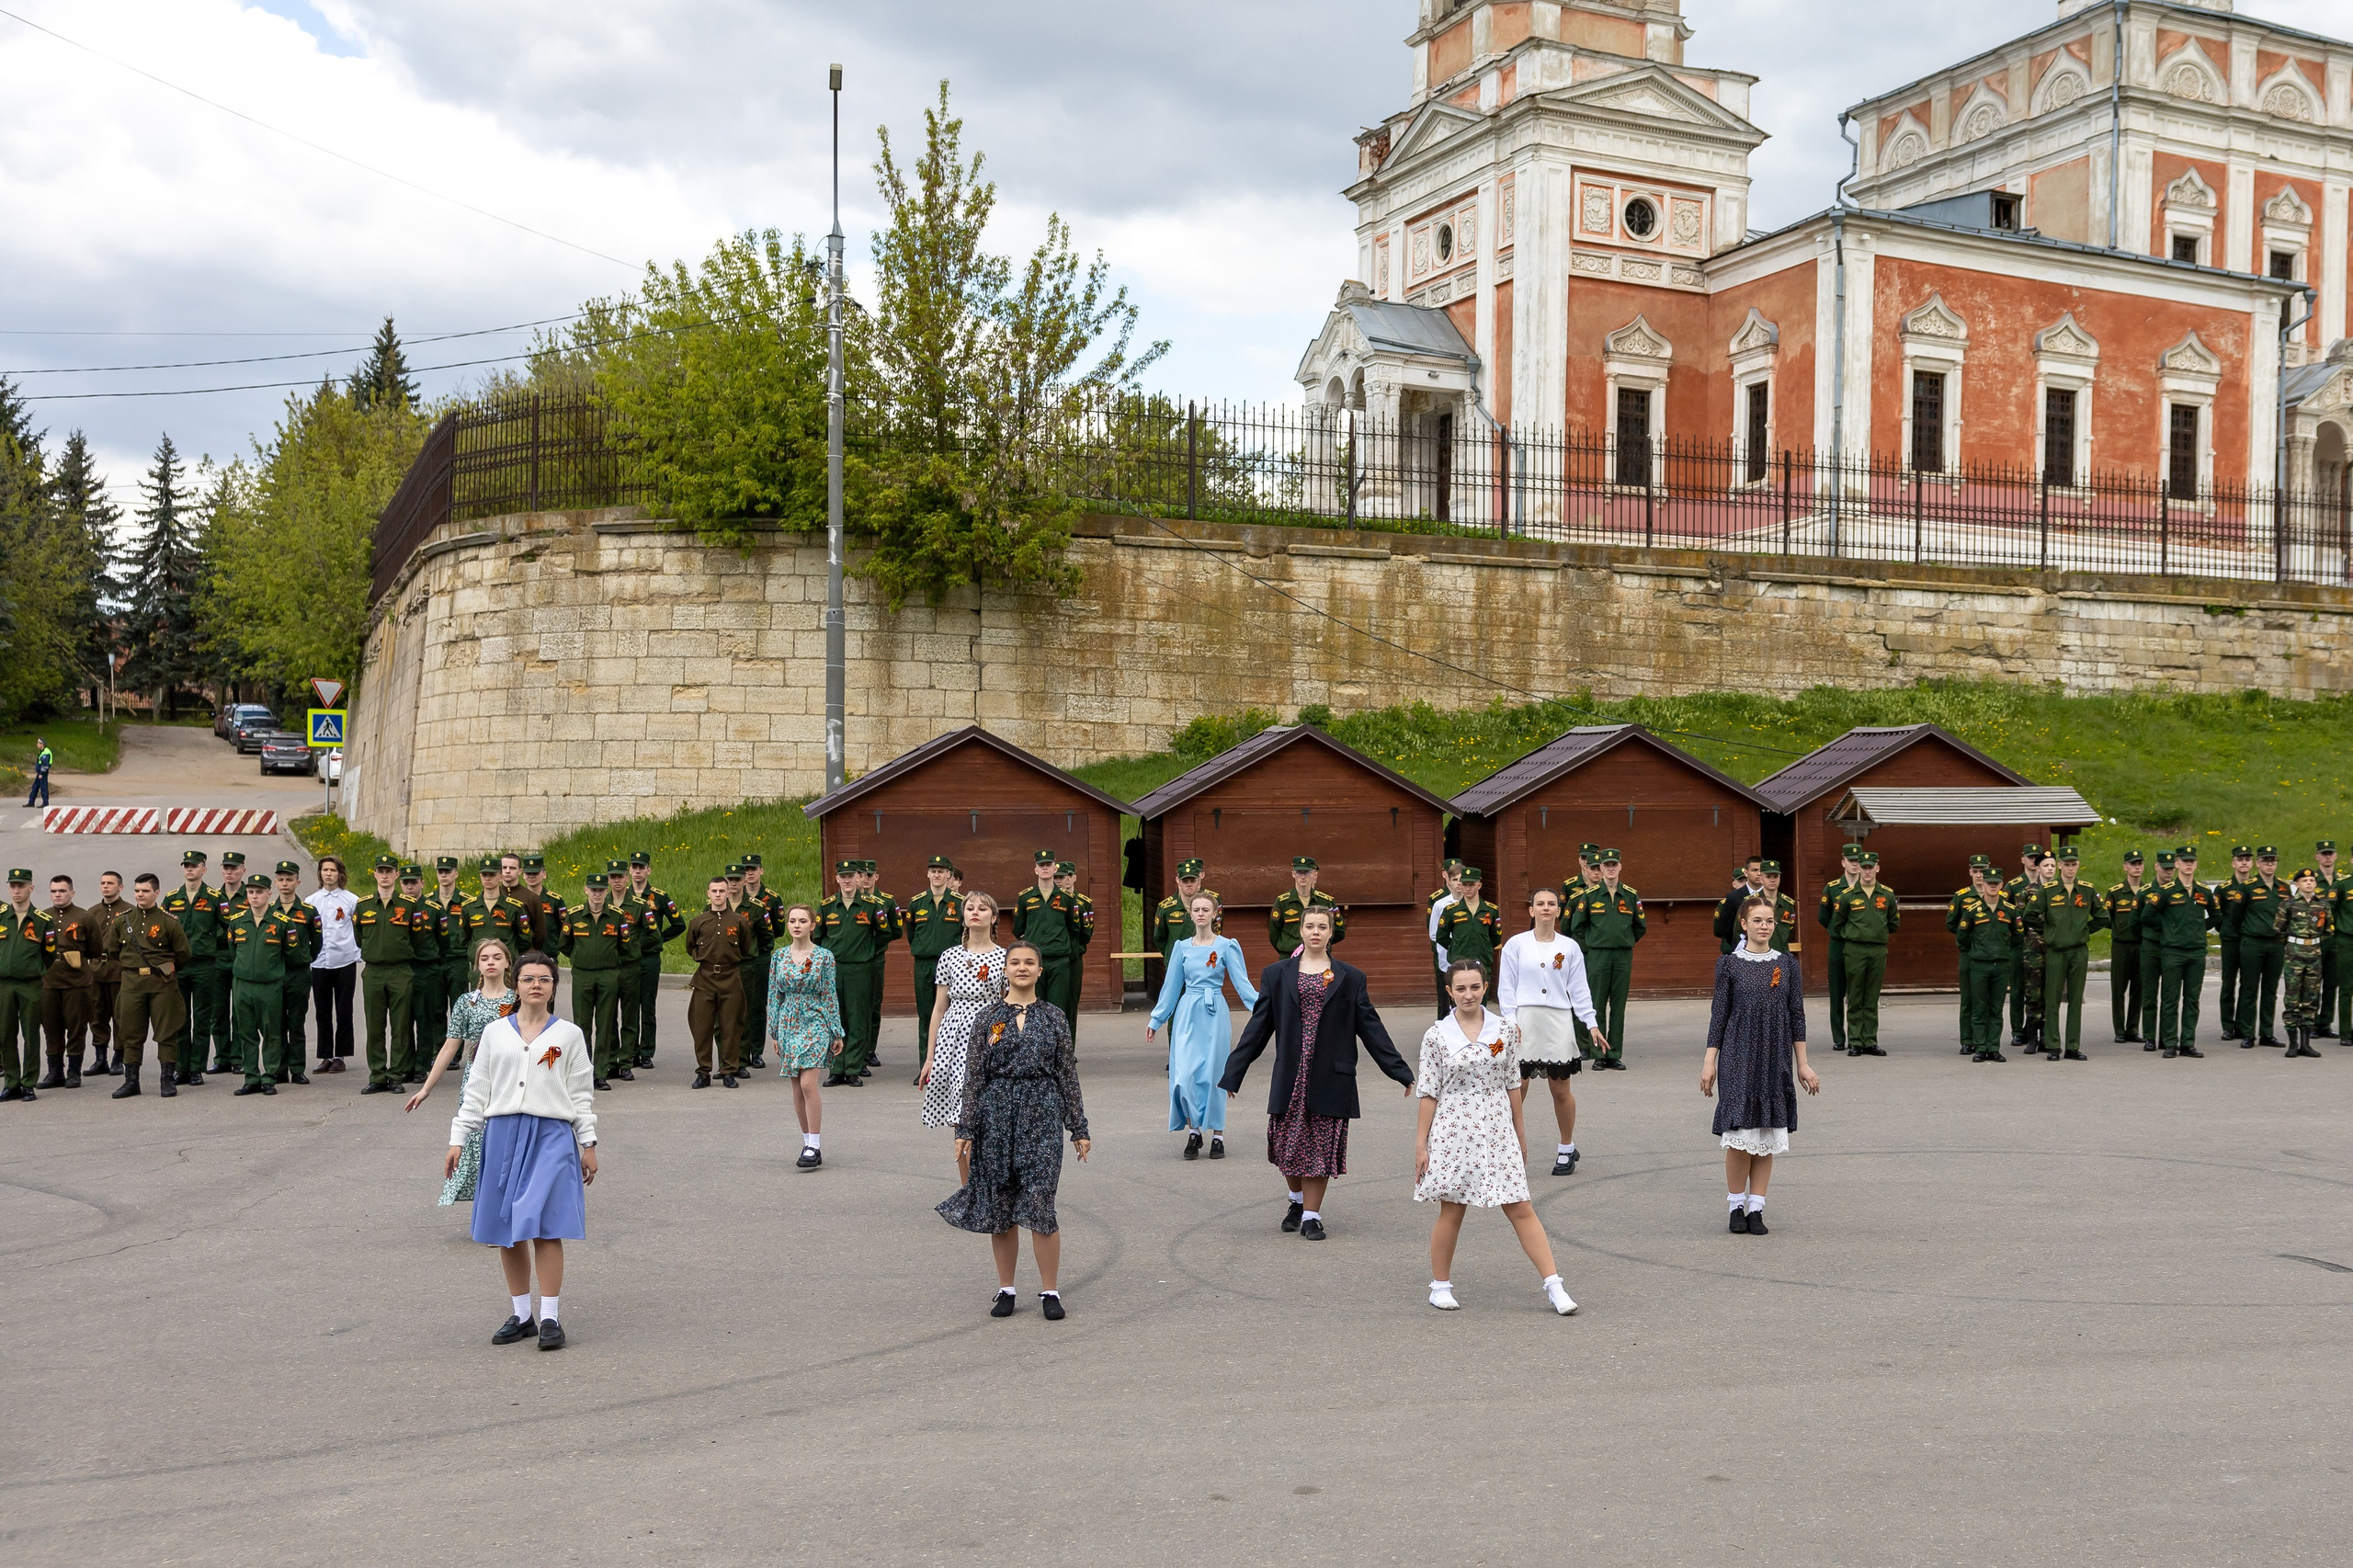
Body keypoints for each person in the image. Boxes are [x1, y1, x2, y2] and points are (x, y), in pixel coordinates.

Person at [1221, 906, 1412, 1241]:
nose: (1316, 932)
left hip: (1330, 1076)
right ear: (1301, 930)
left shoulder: (1349, 977)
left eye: (1322, 927)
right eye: (1310, 926)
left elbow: (1371, 1028)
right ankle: (1296, 1200)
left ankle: (1311, 1215)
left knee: (1319, 1150)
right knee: (1287, 1147)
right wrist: (1233, 1074)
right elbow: (1258, 1028)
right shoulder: (1277, 974)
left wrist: (1401, 1072)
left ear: (1331, 932)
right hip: (1291, 1075)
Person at [447, 950, 597, 1352]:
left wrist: (588, 1143)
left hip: (551, 1135)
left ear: (553, 987)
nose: (535, 985)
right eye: (528, 978)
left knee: (546, 1227)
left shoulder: (569, 1035)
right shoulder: (495, 1033)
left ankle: (550, 1317)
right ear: (517, 984)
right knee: (508, 1230)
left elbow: (581, 1095)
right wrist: (458, 1138)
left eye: (544, 980)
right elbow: (477, 1090)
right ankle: (522, 1315)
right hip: (501, 1134)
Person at [937, 939, 1091, 1322]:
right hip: (996, 1117)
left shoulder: (1055, 1017)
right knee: (1001, 1204)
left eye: (1029, 963)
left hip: (1042, 1114)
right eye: (1015, 962)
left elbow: (1067, 1074)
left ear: (1040, 971)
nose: (1022, 968)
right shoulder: (988, 1017)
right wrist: (965, 1127)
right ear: (1004, 970)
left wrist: (1078, 1127)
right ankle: (1006, 1288)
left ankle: (1049, 1291)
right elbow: (974, 1076)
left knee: (1040, 1202)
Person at [1415, 960, 1579, 1315]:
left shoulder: (1504, 1030)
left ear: (1486, 987)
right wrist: (1421, 1144)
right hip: (1453, 1128)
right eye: (1460, 988)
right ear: (1449, 992)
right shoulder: (1437, 1036)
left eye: (1474, 987)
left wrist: (1520, 1135)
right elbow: (1428, 1092)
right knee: (1453, 1207)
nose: (1468, 994)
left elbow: (1512, 1085)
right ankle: (1439, 1286)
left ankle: (1554, 1286)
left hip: (1497, 1127)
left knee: (1521, 1206)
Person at [1703, 896, 1819, 1235]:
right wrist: (1709, 1062)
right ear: (1744, 923)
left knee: (1766, 1134)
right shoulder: (1729, 964)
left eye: (1769, 921)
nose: (1764, 926)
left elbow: (1797, 1015)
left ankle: (1757, 1208)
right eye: (1757, 920)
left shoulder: (1787, 964)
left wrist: (1803, 1064)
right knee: (1740, 1135)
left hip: (1774, 1056)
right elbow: (1718, 1016)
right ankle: (1735, 1206)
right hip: (1738, 1055)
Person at [1496, 886, 1603, 1177]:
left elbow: (1579, 990)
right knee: (1518, 1087)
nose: (1546, 908)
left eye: (1551, 904)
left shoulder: (1569, 947)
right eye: (1540, 903)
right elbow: (1506, 987)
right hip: (1524, 1020)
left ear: (1558, 911)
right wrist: (1509, 1019)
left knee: (1560, 1090)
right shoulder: (1515, 945)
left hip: (1558, 1020)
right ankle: (1509, 1148)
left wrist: (1591, 1022)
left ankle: (1566, 1147)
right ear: (1531, 910)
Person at [1144, 891, 1257, 1161]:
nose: (1201, 914)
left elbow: (1243, 985)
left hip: (1215, 1012)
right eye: (1197, 910)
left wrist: (1265, 1011)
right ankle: (1194, 1130)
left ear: (1215, 913)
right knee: (1183, 1076)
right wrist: (1157, 1019)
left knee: (1215, 1075)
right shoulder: (1182, 948)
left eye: (1206, 909)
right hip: (1187, 1012)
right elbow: (1171, 987)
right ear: (1191, 914)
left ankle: (1217, 1134)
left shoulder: (1228, 946)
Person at [406, 936, 518, 1205]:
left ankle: (511, 1209)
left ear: (507, 964)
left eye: (496, 957)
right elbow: (449, 1048)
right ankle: (488, 1213)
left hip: (513, 1078)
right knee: (477, 1145)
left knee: (508, 1146)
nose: (490, 962)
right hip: (478, 1079)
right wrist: (426, 1089)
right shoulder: (467, 1002)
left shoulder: (519, 999)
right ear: (476, 965)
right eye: (484, 958)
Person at [923, 893, 1007, 1177]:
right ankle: (968, 1190)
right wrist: (930, 1057)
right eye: (970, 908)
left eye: (983, 908)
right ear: (963, 916)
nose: (975, 912)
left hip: (992, 1035)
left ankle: (990, 1187)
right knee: (961, 1115)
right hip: (954, 1039)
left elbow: (1010, 1005)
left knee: (990, 1112)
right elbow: (938, 1008)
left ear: (993, 917)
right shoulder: (950, 956)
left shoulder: (1005, 956)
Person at [767, 903, 845, 1170]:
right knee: (795, 1085)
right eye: (792, 920)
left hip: (815, 1020)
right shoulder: (778, 956)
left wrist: (836, 1030)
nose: (796, 925)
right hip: (788, 1021)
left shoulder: (824, 956)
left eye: (802, 921)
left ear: (813, 925)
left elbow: (829, 994)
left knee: (809, 1084)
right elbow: (774, 995)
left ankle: (815, 1145)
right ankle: (806, 1140)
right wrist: (774, 1030)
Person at [105, 873, 191, 1097]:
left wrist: (163, 970)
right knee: (130, 1033)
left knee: (166, 1033)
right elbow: (112, 950)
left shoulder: (168, 921)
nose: (140, 895)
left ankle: (166, 1080)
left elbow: (183, 954)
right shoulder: (122, 921)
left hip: (162, 985)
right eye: (137, 891)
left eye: (145, 891)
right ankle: (131, 1081)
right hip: (132, 984)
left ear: (156, 893)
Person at [220, 873, 302, 1094]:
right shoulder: (237, 921)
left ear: (269, 893)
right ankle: (251, 1077)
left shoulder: (282, 922)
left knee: (271, 1032)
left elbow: (291, 953)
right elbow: (233, 950)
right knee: (245, 1032)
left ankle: (269, 1077)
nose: (254, 897)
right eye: (250, 892)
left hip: (270, 986)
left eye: (259, 892)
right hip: (243, 984)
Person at [355, 856, 426, 1095]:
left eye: (389, 871)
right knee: (374, 1026)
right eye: (380, 871)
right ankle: (377, 1075)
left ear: (397, 875)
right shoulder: (363, 905)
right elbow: (359, 937)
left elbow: (417, 937)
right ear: (374, 874)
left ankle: (395, 1074)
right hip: (373, 971)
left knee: (400, 1026)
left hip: (400, 971)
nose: (384, 875)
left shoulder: (408, 905)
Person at [2023, 846, 2104, 1061]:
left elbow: (2103, 917)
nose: (2069, 868)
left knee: (2076, 1000)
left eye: (2073, 864)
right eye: (2066, 864)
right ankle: (2052, 1046)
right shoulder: (2049, 890)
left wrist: (2085, 930)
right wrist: (2048, 932)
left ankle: (2072, 1046)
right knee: (2052, 1000)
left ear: (2078, 865)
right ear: (2060, 866)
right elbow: (2029, 915)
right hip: (2056, 951)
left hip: (2078, 951)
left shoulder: (2086, 890)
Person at [560, 872, 638, 1091]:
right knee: (582, 1026)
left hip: (608, 975)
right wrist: (579, 958)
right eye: (593, 890)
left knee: (605, 1025)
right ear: (586, 890)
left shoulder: (617, 915)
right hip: (582, 975)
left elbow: (625, 945)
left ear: (606, 891)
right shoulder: (574, 915)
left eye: (601, 890)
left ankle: (601, 1073)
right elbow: (565, 944)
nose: (597, 894)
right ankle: (583, 1072)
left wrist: (609, 961)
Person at [1566, 850, 1643, 1068]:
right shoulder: (1589, 896)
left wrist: (1624, 939)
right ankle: (1599, 1054)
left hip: (1622, 955)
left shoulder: (1630, 895)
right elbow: (1577, 926)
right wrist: (1594, 942)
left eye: (1613, 864)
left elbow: (1640, 926)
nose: (1609, 868)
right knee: (1597, 1004)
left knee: (1618, 1006)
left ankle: (1614, 1053)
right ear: (1600, 869)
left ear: (1620, 866)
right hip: (1598, 955)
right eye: (1605, 865)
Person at [163, 849, 228, 1087]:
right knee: (180, 1019)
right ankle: (182, 1067)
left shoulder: (214, 897)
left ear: (204, 868)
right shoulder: (172, 898)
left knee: (202, 1019)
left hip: (205, 966)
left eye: (194, 865)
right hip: (179, 967)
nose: (189, 869)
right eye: (186, 865)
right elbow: (163, 931)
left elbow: (229, 928)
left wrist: (214, 948)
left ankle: (197, 1069)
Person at [816, 860, 884, 1086]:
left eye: (850, 876)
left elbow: (886, 932)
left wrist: (869, 951)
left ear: (858, 878)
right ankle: (836, 1069)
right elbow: (818, 936)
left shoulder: (870, 905)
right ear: (837, 879)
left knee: (858, 1019)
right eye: (842, 876)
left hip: (859, 968)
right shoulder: (826, 907)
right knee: (834, 1018)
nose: (846, 880)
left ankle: (853, 1068)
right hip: (834, 969)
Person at [1826, 851, 1897, 1057]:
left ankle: (1870, 1041)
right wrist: (1855, 935)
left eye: (1870, 867)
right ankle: (1855, 1041)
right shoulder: (1847, 895)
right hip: (1855, 949)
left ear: (1877, 868)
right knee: (1856, 996)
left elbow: (1893, 923)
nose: (1867, 871)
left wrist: (1876, 933)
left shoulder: (1887, 895)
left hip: (1877, 949)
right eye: (1864, 867)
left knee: (1872, 996)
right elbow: (1837, 924)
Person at [685, 875, 753, 1089]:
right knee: (702, 1028)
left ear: (728, 893)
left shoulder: (739, 921)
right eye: (714, 891)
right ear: (708, 893)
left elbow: (744, 948)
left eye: (722, 891)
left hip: (730, 979)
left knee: (731, 1028)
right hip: (705, 979)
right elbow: (690, 947)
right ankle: (703, 1071)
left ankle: (729, 1071)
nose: (718, 895)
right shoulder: (698, 921)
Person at [2150, 846, 2217, 1059]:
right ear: (2177, 864)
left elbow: (2217, 916)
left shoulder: (2204, 891)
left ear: (2196, 864)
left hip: (2196, 952)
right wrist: (2170, 929)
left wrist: (2198, 929)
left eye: (2192, 861)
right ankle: (2170, 1042)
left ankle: (2188, 1042)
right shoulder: (2166, 891)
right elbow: (2147, 915)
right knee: (2170, 999)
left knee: (2192, 999)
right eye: (2184, 861)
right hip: (2173, 952)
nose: (2189, 864)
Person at [617, 851, 679, 1070]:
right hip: (627, 960)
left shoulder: (659, 897)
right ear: (629, 872)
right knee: (630, 1006)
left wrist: (660, 939)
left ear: (648, 870)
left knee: (647, 1006)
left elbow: (678, 924)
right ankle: (631, 1050)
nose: (637, 871)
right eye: (634, 867)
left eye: (641, 867)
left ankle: (646, 1051)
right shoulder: (620, 896)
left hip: (649, 958)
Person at [38, 875, 99, 1089]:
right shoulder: (42, 917)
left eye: (62, 891)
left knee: (76, 1028)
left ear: (71, 893)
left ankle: (74, 1072)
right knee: (51, 1028)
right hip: (49, 982)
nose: (58, 895)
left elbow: (94, 949)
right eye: (54, 891)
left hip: (77, 983)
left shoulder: (85, 917)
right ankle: (55, 1072)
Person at [0, 869, 56, 1102]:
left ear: (31, 888)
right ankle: (11, 1082)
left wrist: (35, 970)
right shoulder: (1, 915)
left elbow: (49, 954)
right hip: (4, 985)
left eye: (21, 886)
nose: (16, 890)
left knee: (31, 1033)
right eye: (12, 886)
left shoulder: (43, 921)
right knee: (5, 1034)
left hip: (30, 985)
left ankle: (28, 1083)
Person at [906, 855, 963, 1079]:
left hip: (952, 966)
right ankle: (926, 1068)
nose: (937, 875)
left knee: (952, 1016)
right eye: (933, 870)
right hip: (924, 964)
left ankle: (949, 1068)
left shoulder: (959, 902)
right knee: (927, 1016)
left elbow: (964, 934)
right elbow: (912, 934)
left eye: (942, 871)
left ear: (949, 874)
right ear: (927, 874)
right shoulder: (917, 902)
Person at [1949, 873, 2017, 1062]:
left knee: (1996, 1009)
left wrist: (2003, 951)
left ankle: (1993, 1047)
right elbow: (1962, 936)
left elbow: (2017, 936)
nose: (1993, 887)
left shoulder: (2009, 910)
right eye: (1989, 883)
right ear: (1984, 884)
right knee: (1978, 1008)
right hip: (1979, 965)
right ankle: (1980, 1047)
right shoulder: (1972, 910)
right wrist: (1977, 949)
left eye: (1996, 884)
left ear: (2002, 885)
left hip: (2001, 965)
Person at [1013, 850, 1078, 1035]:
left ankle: (1060, 1057)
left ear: (1054, 867)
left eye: (1048, 865)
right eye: (1041, 865)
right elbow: (1018, 929)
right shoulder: (1025, 898)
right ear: (1035, 869)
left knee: (1059, 1010)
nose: (1045, 868)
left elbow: (1075, 929)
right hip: (1034, 961)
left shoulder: (1067, 898)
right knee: (1033, 1008)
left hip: (1059, 961)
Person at [306, 855, 360, 1074]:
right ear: (320, 874)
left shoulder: (351, 900)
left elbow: (360, 930)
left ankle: (340, 1056)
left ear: (340, 874)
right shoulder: (311, 901)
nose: (328, 874)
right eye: (325, 870)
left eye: (332, 870)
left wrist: (358, 951)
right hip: (319, 963)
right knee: (322, 1011)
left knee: (344, 1009)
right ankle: (326, 1056)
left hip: (344, 961)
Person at [268, 861, 321, 1083]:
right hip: (275, 974)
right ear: (275, 882)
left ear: (297, 882)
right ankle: (279, 1069)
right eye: (281, 879)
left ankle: (297, 1069)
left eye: (289, 879)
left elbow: (317, 942)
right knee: (276, 1023)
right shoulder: (269, 910)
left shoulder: (308, 911)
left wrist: (304, 958)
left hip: (299, 974)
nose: (285, 883)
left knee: (296, 1023)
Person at [2235, 846, 2291, 1049]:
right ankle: (2248, 1033)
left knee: (2271, 989)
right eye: (2266, 860)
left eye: (2273, 861)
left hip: (2276, 944)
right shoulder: (2247, 887)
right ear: (2258, 863)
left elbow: (2288, 915)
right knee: (2249, 988)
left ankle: (2267, 1033)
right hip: (2253, 943)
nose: (2269, 864)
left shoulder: (2284, 888)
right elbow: (2235, 916)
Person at [2278, 867, 2332, 1058]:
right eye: (2304, 881)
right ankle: (2292, 1044)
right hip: (2294, 954)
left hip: (2314, 954)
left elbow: (2328, 930)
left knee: (2310, 998)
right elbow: (2278, 929)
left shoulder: (2323, 905)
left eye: (2311, 881)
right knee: (2292, 999)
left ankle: (2306, 1043)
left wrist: (2312, 943)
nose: (2308, 884)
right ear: (2297, 885)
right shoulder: (2289, 905)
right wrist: (2295, 944)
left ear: (2315, 884)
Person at [736, 853, 782, 1072]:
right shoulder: (733, 897)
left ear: (761, 871)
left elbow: (777, 930)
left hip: (761, 957)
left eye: (753, 869)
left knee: (757, 1005)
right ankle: (739, 1052)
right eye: (745, 870)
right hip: (739, 959)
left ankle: (756, 1051)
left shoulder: (771, 899)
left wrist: (761, 949)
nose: (749, 873)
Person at [1433, 865, 1503, 1009]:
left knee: (1480, 1003)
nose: (1468, 888)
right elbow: (1441, 936)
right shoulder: (1451, 910)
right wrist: (1456, 946)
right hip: (1459, 962)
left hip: (1481, 962)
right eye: (1465, 884)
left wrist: (1484, 947)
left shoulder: (1490, 910)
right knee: (1459, 1002)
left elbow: (1496, 937)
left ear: (1479, 885)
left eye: (1471, 884)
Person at [1818, 843, 1864, 1053]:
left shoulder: (1867, 886)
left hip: (1858, 944)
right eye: (1851, 861)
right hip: (1838, 944)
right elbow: (1823, 917)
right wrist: (1838, 931)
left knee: (1858, 993)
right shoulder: (1833, 887)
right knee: (1837, 992)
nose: (1855, 865)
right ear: (1843, 862)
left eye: (1858, 861)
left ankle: (1859, 1035)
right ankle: (1839, 1037)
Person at [86, 870, 130, 1076]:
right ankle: (100, 1058)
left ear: (120, 887)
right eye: (103, 883)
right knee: (97, 1015)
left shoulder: (130, 911)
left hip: (118, 969)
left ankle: (118, 1057)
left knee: (119, 1015)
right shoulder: (92, 912)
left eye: (110, 883)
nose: (106, 887)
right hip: (96, 970)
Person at [2103, 850, 2148, 1043]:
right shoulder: (2115, 892)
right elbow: (2107, 918)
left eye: (2139, 863)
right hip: (2121, 945)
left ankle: (2132, 1029)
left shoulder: (2149, 891)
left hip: (2142, 945)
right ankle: (2119, 1030)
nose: (2136, 867)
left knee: (2139, 989)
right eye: (2132, 863)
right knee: (2118, 989)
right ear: (2125, 867)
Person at [2003, 844, 2044, 1049]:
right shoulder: (2014, 885)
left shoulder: (2049, 883)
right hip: (2020, 942)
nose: (2034, 862)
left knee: (2038, 990)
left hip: (2041, 943)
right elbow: (2003, 910)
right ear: (2023, 860)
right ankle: (2018, 1031)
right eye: (2030, 858)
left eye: (2037, 858)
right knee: (2019, 988)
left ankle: (2034, 1029)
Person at [2215, 844, 2256, 1041]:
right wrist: (2226, 931)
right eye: (2240, 859)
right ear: (2233, 863)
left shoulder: (2257, 886)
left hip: (2251, 940)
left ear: (2252, 862)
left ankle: (2244, 1025)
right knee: (2228, 983)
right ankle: (2228, 1025)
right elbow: (2218, 914)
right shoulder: (2223, 889)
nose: (2244, 862)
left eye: (2247, 859)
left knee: (2248, 984)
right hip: (2231, 940)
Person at [1267, 857, 1346, 957]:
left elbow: (1339, 932)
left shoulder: (1326, 901)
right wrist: (1287, 948)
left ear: (1314, 874)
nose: (1303, 877)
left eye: (1307, 872)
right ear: (1293, 874)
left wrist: (1321, 944)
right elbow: (1274, 934)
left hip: (1319, 956)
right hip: (1289, 956)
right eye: (1299, 872)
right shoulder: (1282, 902)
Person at [2137, 852, 2173, 1052]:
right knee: (2149, 994)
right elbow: (2137, 920)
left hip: (2170, 947)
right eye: (2165, 867)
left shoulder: (2177, 891)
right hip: (2151, 947)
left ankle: (2167, 1037)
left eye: (2171, 868)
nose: (2168, 872)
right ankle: (2150, 1036)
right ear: (2156, 866)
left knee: (2169, 995)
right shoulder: (2144, 892)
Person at [1055, 860, 1094, 1041]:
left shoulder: (1084, 903)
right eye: (1058, 877)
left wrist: (1075, 949)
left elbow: (1087, 932)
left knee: (1071, 1003)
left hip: (1073, 958)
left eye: (1066, 876)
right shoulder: (1051, 901)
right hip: (1054, 958)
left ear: (1074, 877)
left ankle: (1069, 1047)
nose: (1062, 881)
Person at [1426, 859, 1465, 1016]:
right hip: (1447, 957)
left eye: (1461, 880)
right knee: (1446, 996)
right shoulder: (1441, 904)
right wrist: (1453, 947)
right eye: (1455, 879)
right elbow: (1434, 933)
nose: (1458, 884)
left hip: (1469, 955)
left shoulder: (1475, 904)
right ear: (1448, 879)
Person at [2317, 839, 2347, 1041]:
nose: (2328, 857)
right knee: (2311, 984)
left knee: (2331, 983)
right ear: (2317, 856)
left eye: (2331, 853)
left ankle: (2325, 1023)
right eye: (2324, 853)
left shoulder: (2342, 882)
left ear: (2336, 856)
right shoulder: (2310, 880)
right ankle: (2309, 1023)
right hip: (2317, 938)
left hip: (2335, 938)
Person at [1711, 856, 1768, 955]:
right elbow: (1727, 929)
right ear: (1746, 873)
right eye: (1754, 870)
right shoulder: (1733, 897)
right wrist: (1738, 943)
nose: (1759, 874)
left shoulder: (1771, 896)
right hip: (1741, 951)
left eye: (1761, 870)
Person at [2326, 840, 2353, 1042]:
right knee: (2346, 988)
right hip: (2347, 941)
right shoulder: (2343, 885)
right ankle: (2346, 1032)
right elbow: (2330, 913)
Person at [23, 737, 53, 808]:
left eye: (38, 743)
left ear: (42, 744)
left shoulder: (46, 752)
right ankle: (31, 802)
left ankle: (45, 803)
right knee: (35, 787)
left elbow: (45, 765)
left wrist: (41, 773)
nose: (37, 745)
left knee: (43, 787)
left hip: (43, 772)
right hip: (40, 772)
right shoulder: (42, 751)